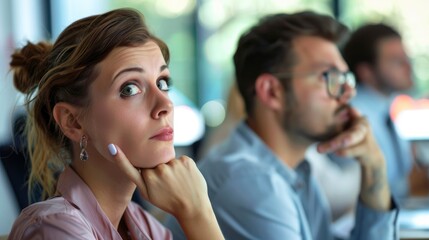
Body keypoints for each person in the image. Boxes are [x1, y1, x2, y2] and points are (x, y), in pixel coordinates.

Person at [165, 11, 398, 239]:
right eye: (330, 77)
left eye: (347, 79)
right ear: (271, 91)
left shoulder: (295, 171)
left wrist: (375, 167)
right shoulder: (250, 181)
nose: (349, 92)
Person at [8, 8, 223, 240]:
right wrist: (196, 213)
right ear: (72, 122)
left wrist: (198, 211)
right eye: (129, 88)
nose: (166, 105)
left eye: (162, 83)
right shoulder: (54, 229)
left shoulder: (144, 225)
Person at [342, 23, 429, 199]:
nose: (408, 67)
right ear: (366, 71)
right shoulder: (353, 116)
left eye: (407, 59)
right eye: (397, 61)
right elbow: (363, 190)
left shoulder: (386, 110)